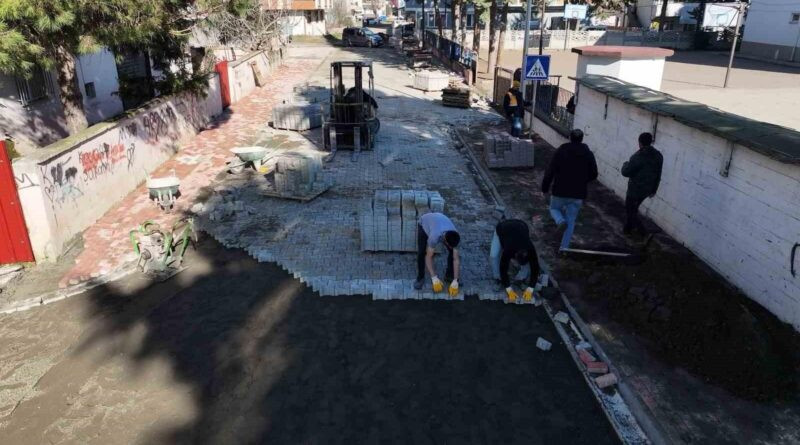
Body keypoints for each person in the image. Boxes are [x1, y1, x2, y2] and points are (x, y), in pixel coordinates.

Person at [541, 129, 598, 251]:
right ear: (582, 139)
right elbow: (594, 174)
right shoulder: (588, 154)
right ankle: (564, 248)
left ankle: (560, 221)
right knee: (571, 220)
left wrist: (544, 188)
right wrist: (582, 181)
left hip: (560, 190)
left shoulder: (561, 151)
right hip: (578, 193)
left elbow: (550, 171)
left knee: (554, 208)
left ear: (569, 137)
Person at [621, 132, 663, 236]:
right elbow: (658, 174)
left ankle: (642, 232)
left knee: (630, 210)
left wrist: (625, 164)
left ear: (640, 143)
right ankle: (627, 230)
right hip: (647, 189)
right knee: (633, 209)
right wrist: (654, 190)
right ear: (651, 142)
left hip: (635, 189)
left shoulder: (638, 157)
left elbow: (625, 172)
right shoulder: (658, 156)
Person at [490, 219, 542, 302]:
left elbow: (535, 268)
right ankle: (497, 278)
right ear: (514, 256)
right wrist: (509, 289)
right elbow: (503, 268)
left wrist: (530, 288)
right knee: (494, 255)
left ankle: (521, 278)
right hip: (502, 228)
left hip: (521, 225)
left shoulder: (530, 249)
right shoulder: (509, 250)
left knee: (529, 265)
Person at [414, 212, 461, 297]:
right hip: (424, 222)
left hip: (440, 220)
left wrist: (456, 280)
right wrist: (434, 277)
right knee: (421, 252)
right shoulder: (434, 236)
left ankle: (449, 276)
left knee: (452, 252)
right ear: (445, 241)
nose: (451, 247)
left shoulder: (455, 235)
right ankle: (420, 277)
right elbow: (428, 257)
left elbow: (456, 259)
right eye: (449, 245)